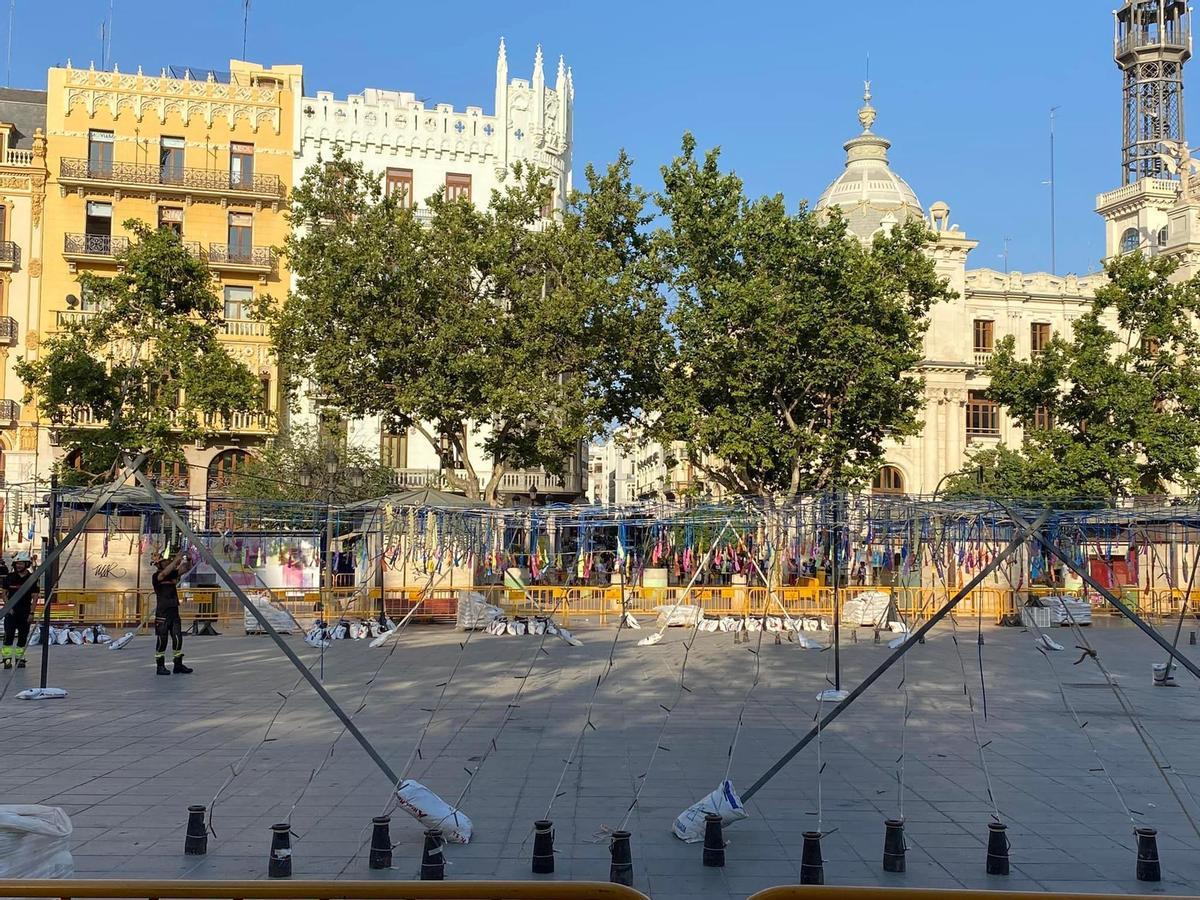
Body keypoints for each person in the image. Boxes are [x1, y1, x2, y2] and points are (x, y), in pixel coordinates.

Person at [152, 550, 193, 675]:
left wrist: (188, 559)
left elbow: (185, 568)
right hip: (162, 613)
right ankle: (160, 666)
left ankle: (178, 664)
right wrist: (176, 559)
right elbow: (164, 573)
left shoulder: (172, 575)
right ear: (159, 564)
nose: (168, 562)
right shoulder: (157, 576)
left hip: (173, 611)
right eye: (165, 561)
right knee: (162, 640)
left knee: (177, 638)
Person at [2, 554, 39, 670]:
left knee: (23, 637)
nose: (18, 566)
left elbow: (35, 597)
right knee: (9, 636)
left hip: (25, 612)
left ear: (26, 564)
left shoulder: (32, 579)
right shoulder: (10, 577)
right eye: (17, 563)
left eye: (21, 563)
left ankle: (19, 658)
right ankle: (6, 659)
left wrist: (31, 613)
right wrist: (9, 607)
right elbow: (4, 594)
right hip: (11, 612)